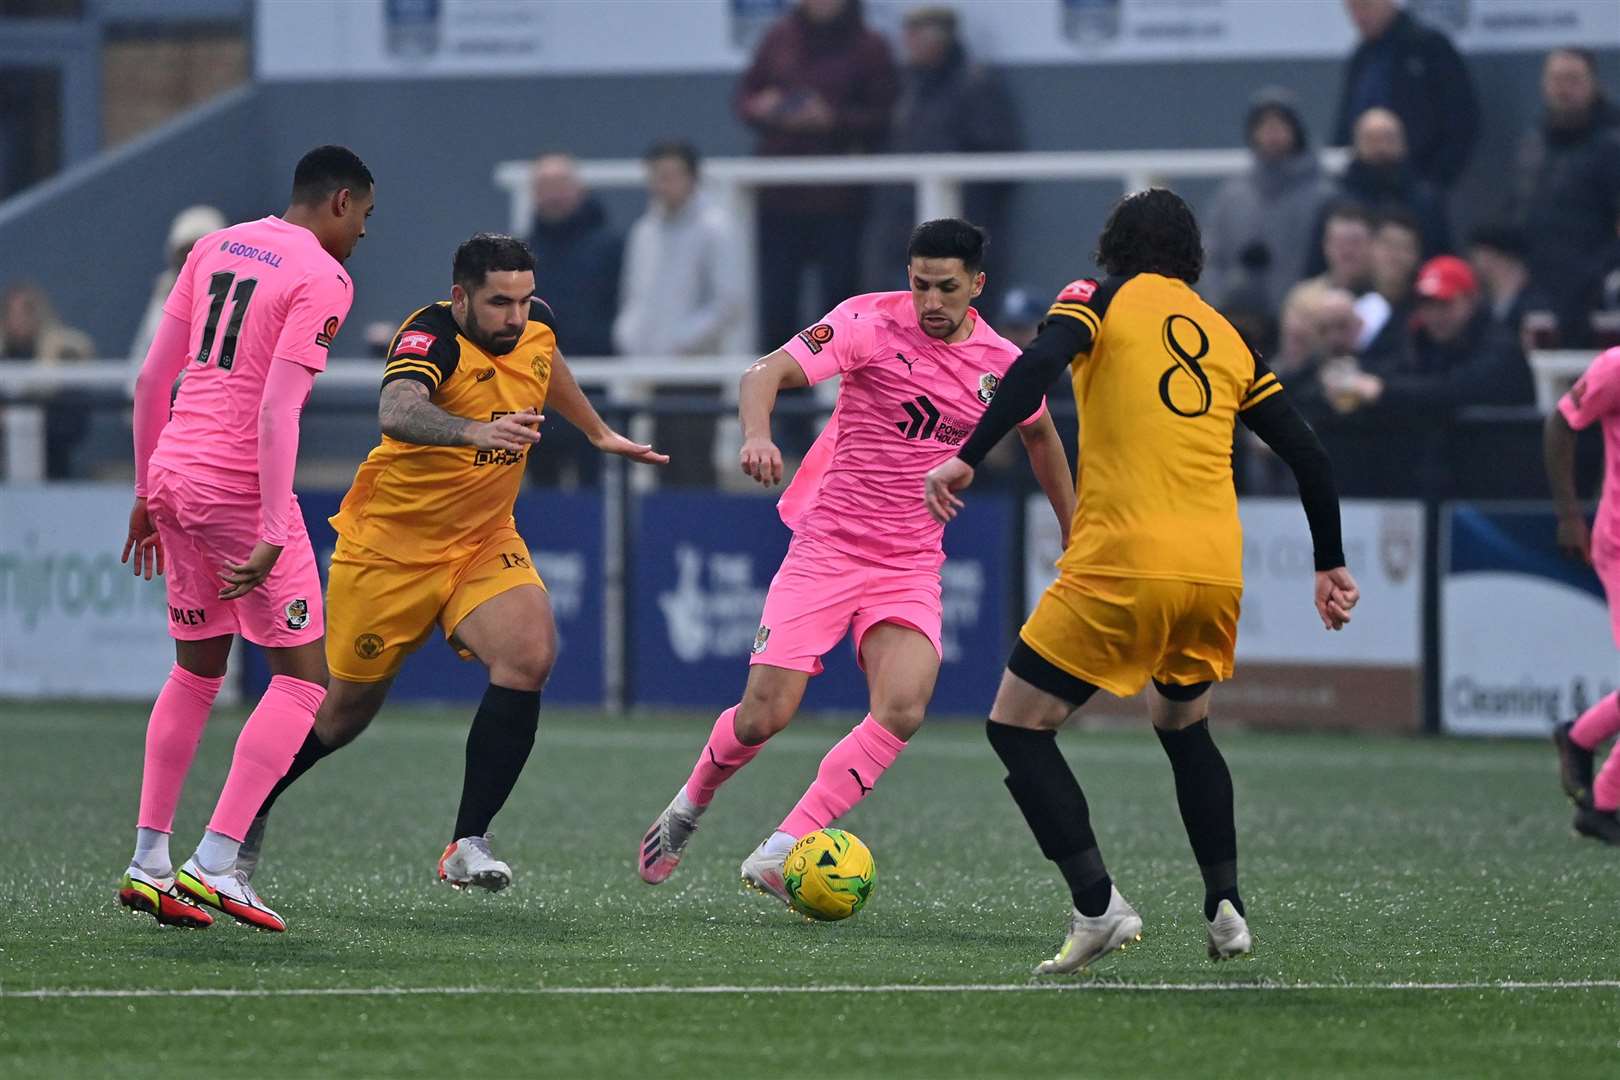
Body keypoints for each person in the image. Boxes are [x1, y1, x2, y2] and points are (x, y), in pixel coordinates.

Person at [923, 189, 1358, 973]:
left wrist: (967, 451)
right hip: (1214, 572)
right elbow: (1312, 454)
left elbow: (1037, 368)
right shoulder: (1224, 332)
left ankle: (1098, 905)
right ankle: (1226, 904)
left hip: (1125, 559)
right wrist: (1330, 561)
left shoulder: (1095, 297)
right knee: (1183, 724)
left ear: (1112, 248)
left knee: (1017, 726)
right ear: (1190, 257)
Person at [635, 219, 1075, 902]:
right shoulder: (868, 321)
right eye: (921, 283)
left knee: (902, 707)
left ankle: (782, 849)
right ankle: (691, 802)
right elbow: (766, 373)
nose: (931, 300)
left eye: (948, 288)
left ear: (976, 286)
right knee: (763, 717)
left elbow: (1042, 438)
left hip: (909, 562)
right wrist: (758, 435)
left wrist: (1074, 530)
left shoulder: (1001, 364)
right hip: (828, 548)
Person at [237, 234, 667, 890]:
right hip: (387, 552)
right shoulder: (430, 336)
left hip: (481, 541)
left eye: (524, 300)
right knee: (342, 714)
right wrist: (474, 431)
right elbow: (397, 408)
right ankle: (243, 814)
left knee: (529, 654)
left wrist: (596, 430)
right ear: (461, 296)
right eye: (499, 302)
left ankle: (468, 842)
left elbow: (546, 363)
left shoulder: (534, 324)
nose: (515, 316)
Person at [116, 144, 375, 932]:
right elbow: (275, 411)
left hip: (174, 474)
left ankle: (148, 859)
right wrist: (269, 526)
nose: (365, 231)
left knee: (195, 672)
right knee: (303, 683)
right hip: (236, 488)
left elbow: (151, 381)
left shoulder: (214, 245)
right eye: (365, 213)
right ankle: (217, 863)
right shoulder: (323, 276)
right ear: (338, 201)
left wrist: (142, 490)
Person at [735, 0, 899, 352]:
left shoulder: (869, 45)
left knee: (841, 301)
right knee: (776, 304)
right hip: (779, 197)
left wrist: (831, 119)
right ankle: (782, 399)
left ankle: (845, 395)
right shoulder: (778, 39)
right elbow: (744, 98)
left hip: (840, 200)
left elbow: (884, 115)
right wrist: (765, 106)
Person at [865, 5, 1022, 296]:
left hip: (961, 225)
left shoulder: (975, 85)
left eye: (917, 34)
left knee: (960, 313)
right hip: (902, 225)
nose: (908, 42)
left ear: (941, 37)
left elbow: (996, 162)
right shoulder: (905, 87)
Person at [613, 140, 745, 487]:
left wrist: (680, 342)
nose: (661, 184)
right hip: (652, 371)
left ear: (692, 177)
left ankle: (698, 540)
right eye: (656, 176)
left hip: (698, 372)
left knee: (696, 464)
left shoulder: (716, 227)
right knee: (660, 464)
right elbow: (634, 294)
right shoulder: (645, 231)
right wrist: (630, 336)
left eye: (670, 175)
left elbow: (729, 301)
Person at [1548, 347, 1620, 846]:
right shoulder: (1615, 366)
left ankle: (1602, 791)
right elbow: (1560, 424)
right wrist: (1570, 516)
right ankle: (1590, 761)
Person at [1511, 49, 1620, 346]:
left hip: (1599, 293)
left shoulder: (1612, 143)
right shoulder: (1534, 142)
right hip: (1541, 288)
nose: (1563, 88)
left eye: (1573, 79)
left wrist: (1598, 275)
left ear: (1594, 83)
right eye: (1556, 79)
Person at [1201, 86, 1333, 317]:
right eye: (1263, 126)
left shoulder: (1323, 197)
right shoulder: (1230, 198)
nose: (1272, 134)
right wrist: (1221, 302)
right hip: (1238, 320)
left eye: (1280, 125)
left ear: (1296, 131)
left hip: (1305, 322)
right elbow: (1210, 259)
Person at [1332, 0, 1478, 190]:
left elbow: (1462, 119)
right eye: (1351, 9)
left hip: (1416, 181)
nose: (1358, 16)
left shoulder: (1429, 47)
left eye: (1365, 5)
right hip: (1362, 188)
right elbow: (1346, 121)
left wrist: (1435, 180)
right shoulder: (1361, 57)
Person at [1305, 108, 1449, 277]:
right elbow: (1317, 263)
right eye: (1371, 139)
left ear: (1403, 144)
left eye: (1388, 138)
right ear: (1357, 144)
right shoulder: (1336, 201)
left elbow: (1442, 258)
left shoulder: (1425, 199)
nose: (1380, 147)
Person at [129, 205, 227, 364]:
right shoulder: (165, 287)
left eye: (200, 250)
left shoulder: (234, 290)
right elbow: (146, 350)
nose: (192, 258)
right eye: (186, 251)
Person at [1309, 203, 1376, 297]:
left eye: (1355, 242)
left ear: (1372, 244)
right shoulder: (1307, 300)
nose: (1347, 251)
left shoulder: (1389, 292)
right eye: (1339, 243)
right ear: (1326, 245)